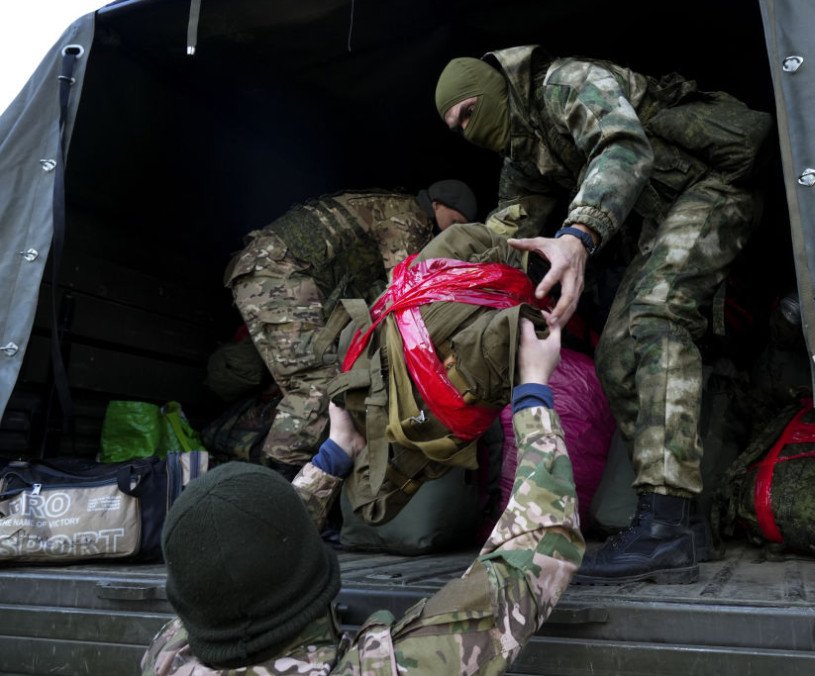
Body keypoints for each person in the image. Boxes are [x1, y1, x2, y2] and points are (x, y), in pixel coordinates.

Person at [435, 46, 771, 584]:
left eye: (471, 111)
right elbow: (508, 226)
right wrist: (442, 283)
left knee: (655, 318)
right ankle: (677, 522)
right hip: (664, 213)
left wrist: (577, 235)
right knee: (618, 353)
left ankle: (667, 524)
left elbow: (623, 148)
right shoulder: (525, 154)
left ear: (498, 89)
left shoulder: (567, 84)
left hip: (715, 184)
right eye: (456, 127)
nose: (469, 129)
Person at [141, 315, 584, 675]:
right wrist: (533, 390)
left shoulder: (168, 657)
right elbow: (538, 552)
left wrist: (335, 457)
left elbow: (230, 560)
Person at [224, 181, 478, 477]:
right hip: (278, 272)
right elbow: (406, 292)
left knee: (317, 383)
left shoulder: (393, 207)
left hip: (276, 271)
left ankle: (274, 473)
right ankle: (278, 485)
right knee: (317, 388)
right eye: (455, 222)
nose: (453, 231)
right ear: (438, 206)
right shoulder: (409, 216)